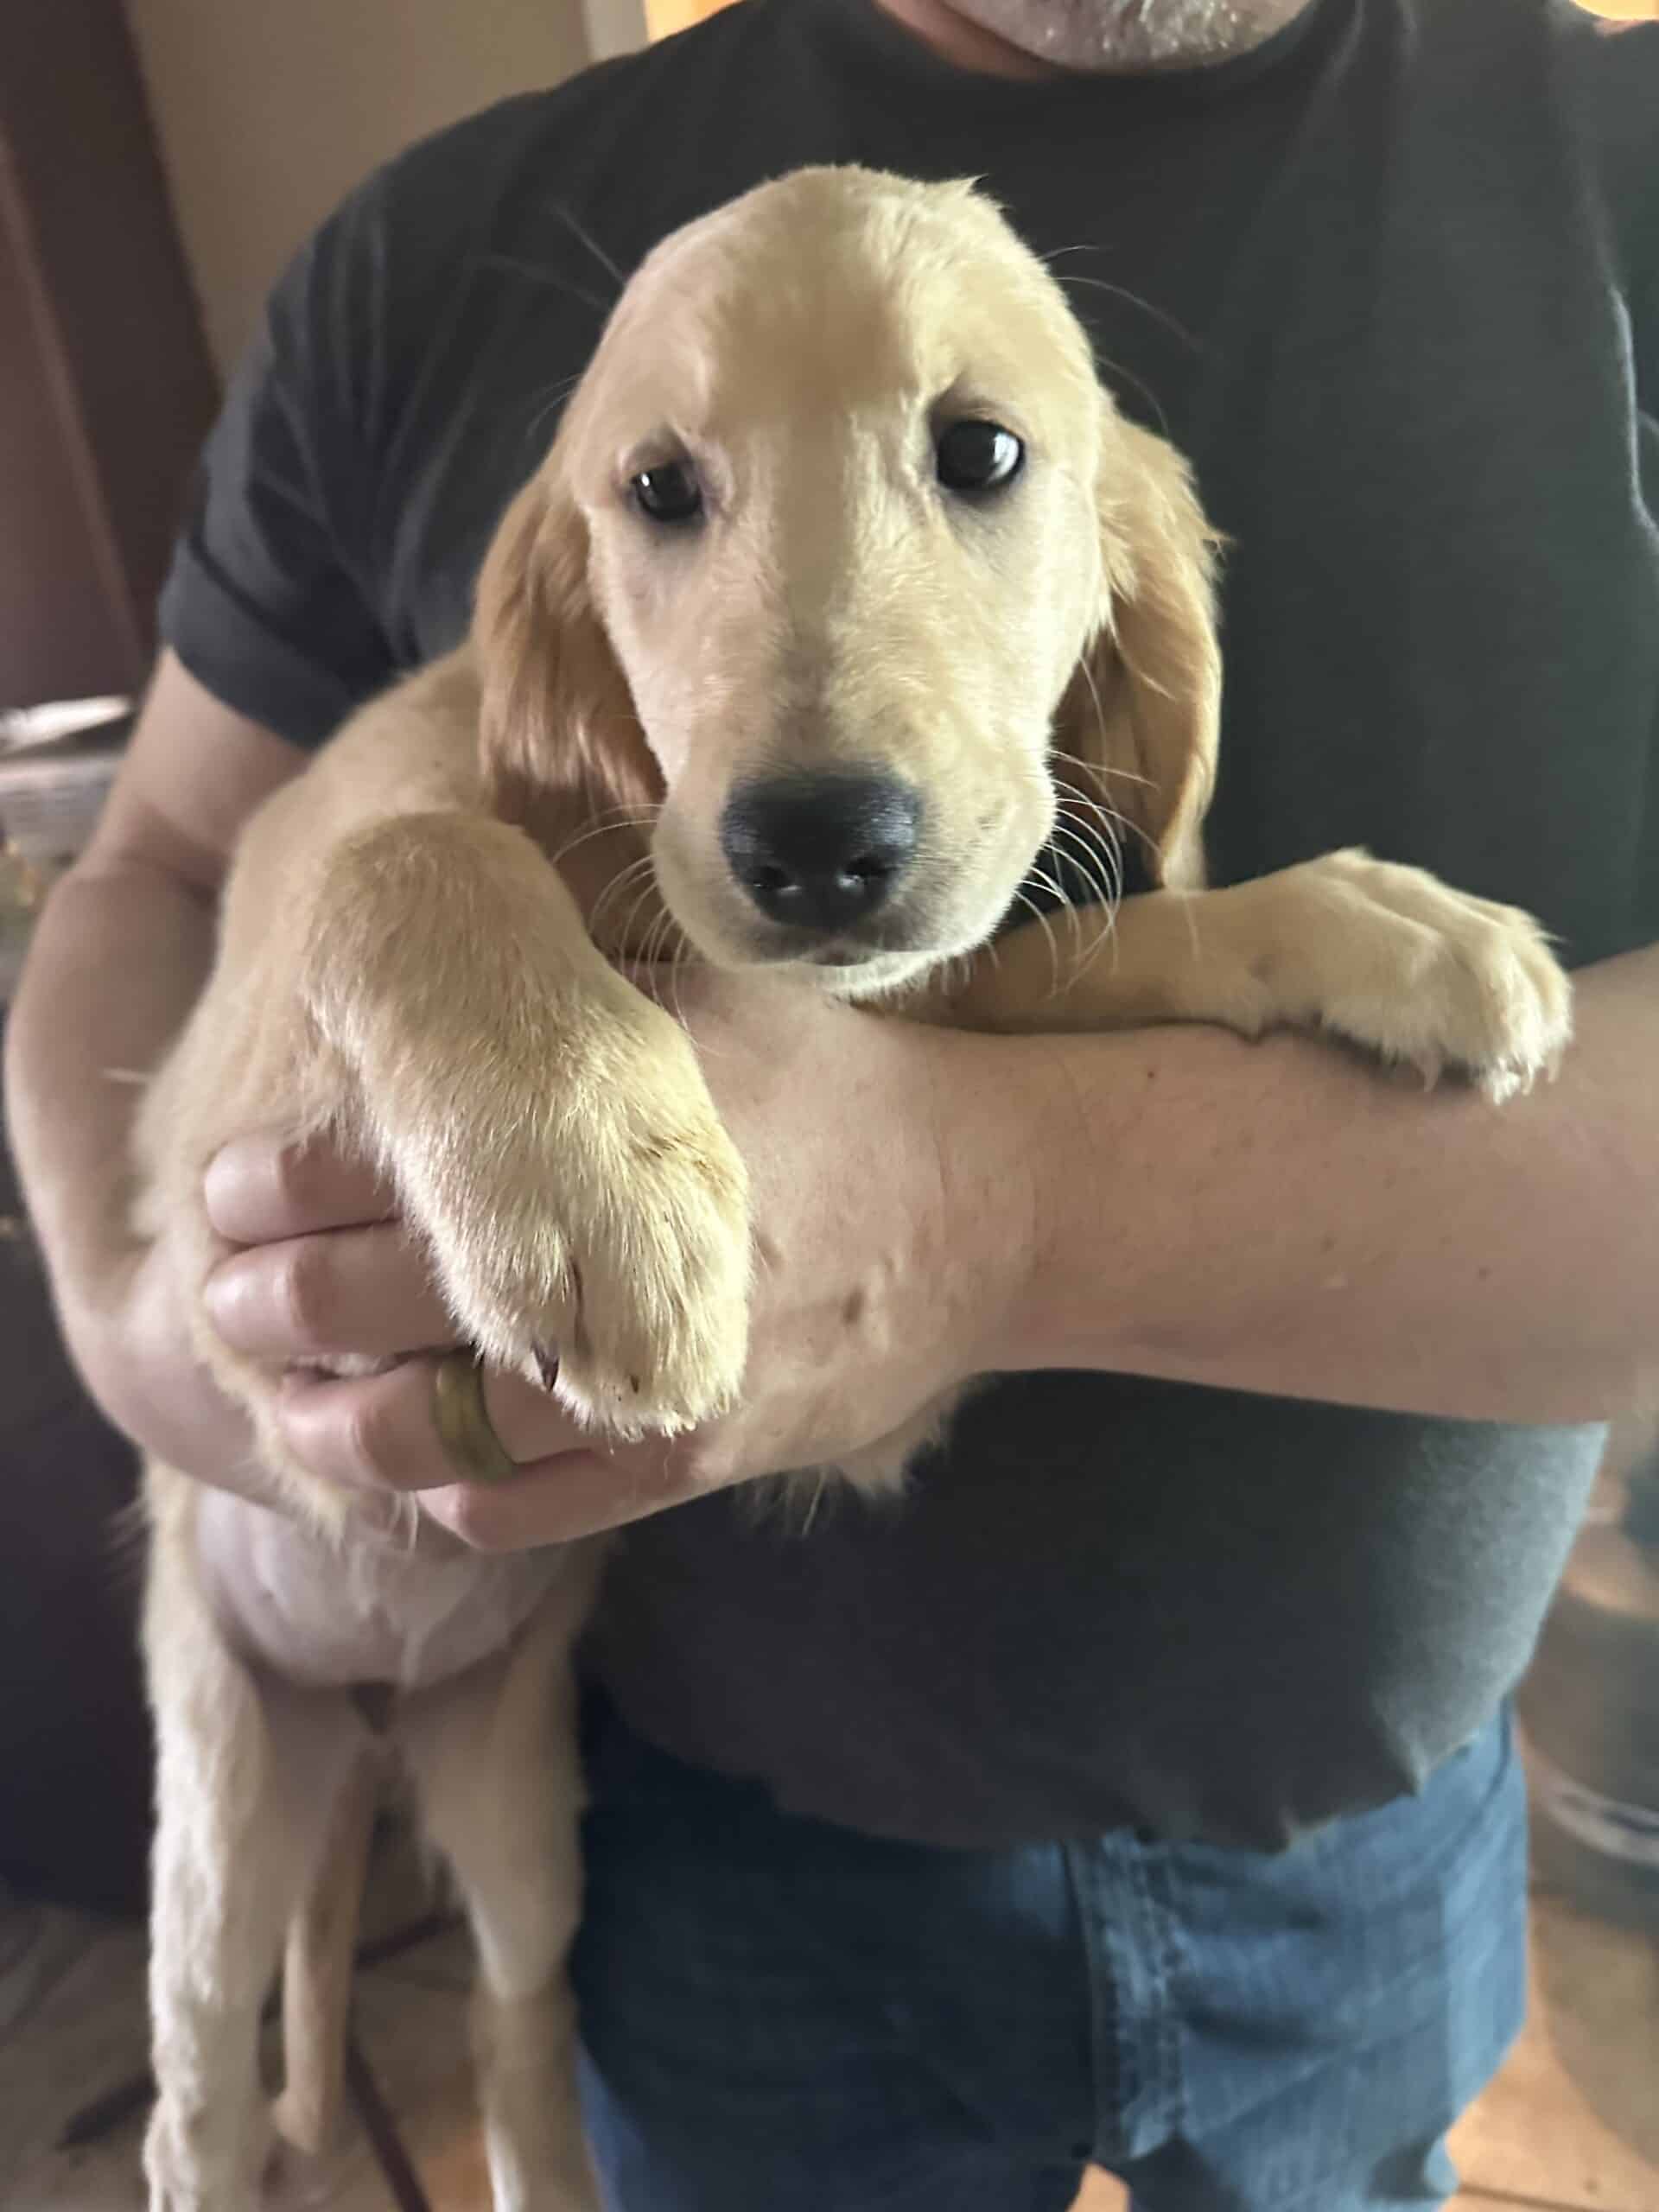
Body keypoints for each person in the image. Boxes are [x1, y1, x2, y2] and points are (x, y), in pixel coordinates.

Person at [7, 0, 1658, 2202]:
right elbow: (169, 863)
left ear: (1137, 613)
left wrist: (982, 1206)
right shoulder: (427, 256)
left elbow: (987, 1008)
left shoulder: (1618, 156)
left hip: (1373, 1832)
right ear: (571, 629)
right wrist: (138, 1329)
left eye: (978, 460)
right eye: (669, 501)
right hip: (714, 1861)